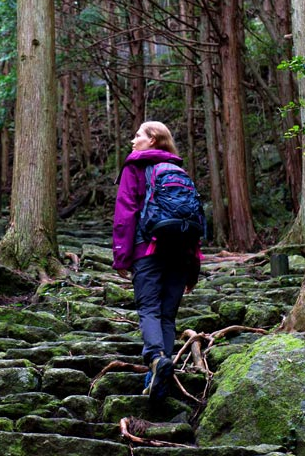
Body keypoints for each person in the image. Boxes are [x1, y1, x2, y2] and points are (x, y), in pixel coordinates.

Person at [112, 121, 201, 405]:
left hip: (148, 249)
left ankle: (156, 358)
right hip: (181, 253)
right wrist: (194, 266)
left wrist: (121, 256)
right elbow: (195, 219)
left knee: (148, 309)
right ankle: (156, 382)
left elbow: (126, 213)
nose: (132, 140)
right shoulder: (179, 170)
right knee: (167, 316)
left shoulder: (135, 167)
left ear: (152, 139)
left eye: (138, 135)